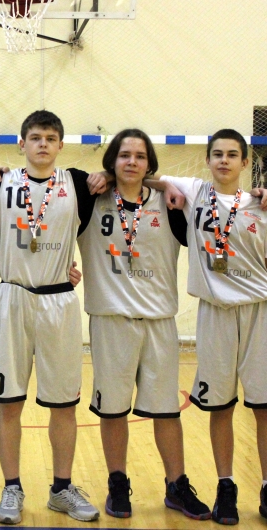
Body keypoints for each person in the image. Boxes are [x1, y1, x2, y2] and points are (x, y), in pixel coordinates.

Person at [0, 110, 105, 524]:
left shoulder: (79, 183)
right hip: (13, 299)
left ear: (61, 145)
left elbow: (130, 178)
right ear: (21, 144)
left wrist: (107, 176)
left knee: (64, 405)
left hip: (59, 301)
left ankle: (61, 489)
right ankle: (12, 489)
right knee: (10, 403)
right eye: (36, 137)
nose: (43, 144)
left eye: (51, 138)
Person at [76, 129, 211, 520]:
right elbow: (54, 185)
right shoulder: (91, 199)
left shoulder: (171, 202)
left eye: (139, 156)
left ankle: (177, 486)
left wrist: (164, 183)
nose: (131, 162)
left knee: (166, 411)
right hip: (110, 320)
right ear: (112, 161)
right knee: (113, 411)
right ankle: (117, 484)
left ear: (149, 163)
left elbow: (217, 199)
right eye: (124, 155)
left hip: (159, 321)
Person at [150, 129, 267, 525]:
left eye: (232, 155)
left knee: (264, 409)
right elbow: (146, 177)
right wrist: (167, 186)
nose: (224, 160)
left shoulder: (260, 204)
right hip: (215, 313)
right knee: (222, 406)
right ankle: (226, 487)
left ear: (245, 163)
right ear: (207, 159)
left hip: (260, 312)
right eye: (217, 154)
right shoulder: (195, 191)